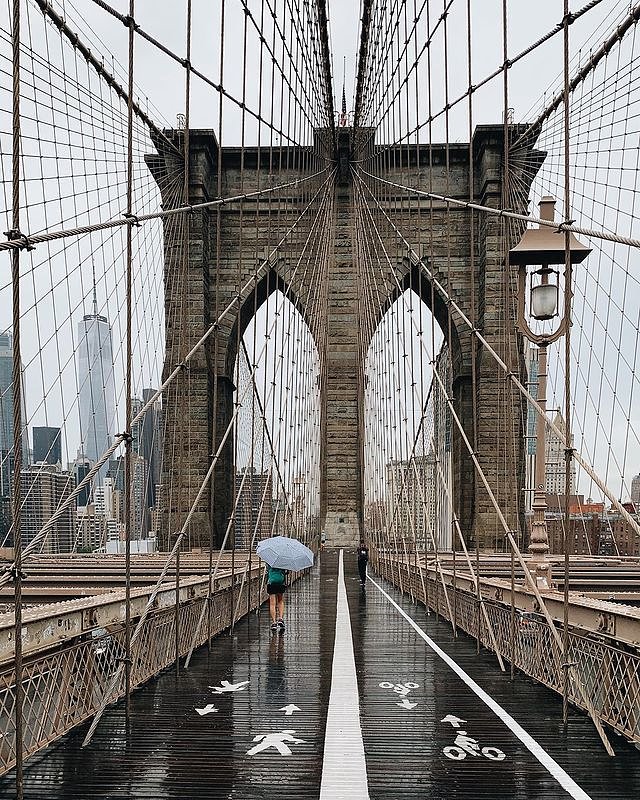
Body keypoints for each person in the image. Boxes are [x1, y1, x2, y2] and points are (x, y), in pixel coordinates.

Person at [267, 564, 287, 633]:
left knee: (272, 603)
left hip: (271, 583)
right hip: (280, 583)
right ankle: (280, 618)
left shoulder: (269, 560)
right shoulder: (283, 561)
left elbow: (267, 571)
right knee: (280, 601)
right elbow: (285, 572)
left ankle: (274, 622)